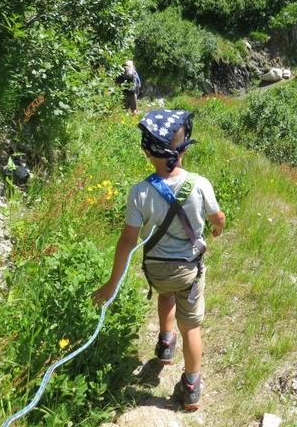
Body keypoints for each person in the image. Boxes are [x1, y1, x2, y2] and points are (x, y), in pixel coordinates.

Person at [93, 109, 226, 411]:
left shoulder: (139, 192)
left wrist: (111, 285)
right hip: (189, 271)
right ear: (184, 148)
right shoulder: (200, 184)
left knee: (166, 294)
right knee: (190, 325)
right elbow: (218, 218)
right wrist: (217, 228)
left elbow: (128, 240)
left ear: (145, 151)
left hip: (156, 270)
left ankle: (165, 343)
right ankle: (191, 385)